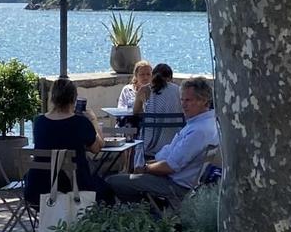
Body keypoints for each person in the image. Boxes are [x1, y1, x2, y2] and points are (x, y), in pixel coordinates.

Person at [107, 77, 218, 209]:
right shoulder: (209, 123)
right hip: (180, 180)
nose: (183, 104)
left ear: (203, 101)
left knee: (112, 182)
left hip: (175, 186)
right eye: (182, 100)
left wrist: (145, 169)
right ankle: (149, 213)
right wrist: (149, 165)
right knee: (131, 177)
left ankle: (147, 216)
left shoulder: (198, 131)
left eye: (188, 100)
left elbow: (170, 166)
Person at [24, 77, 105, 206]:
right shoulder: (81, 122)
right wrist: (93, 120)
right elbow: (97, 148)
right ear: (74, 98)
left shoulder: (39, 122)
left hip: (37, 189)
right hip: (74, 189)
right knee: (107, 190)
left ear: (53, 97)